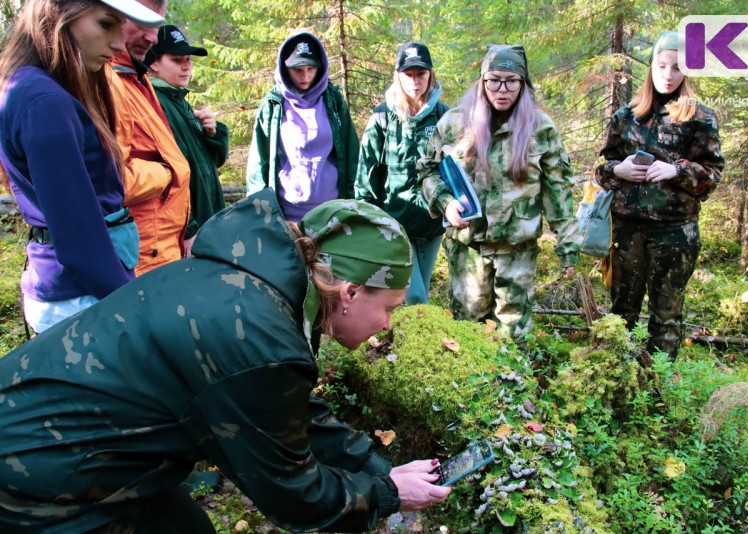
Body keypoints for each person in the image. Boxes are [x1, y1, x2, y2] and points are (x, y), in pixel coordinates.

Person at [0, 188, 452, 532]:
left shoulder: (257, 283)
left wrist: (376, 468)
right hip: (38, 477)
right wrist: (385, 494)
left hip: (59, 441)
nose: (390, 324)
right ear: (350, 292)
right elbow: (293, 492)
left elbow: (287, 412)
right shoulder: (259, 337)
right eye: (390, 307)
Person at [0, 0, 163, 333]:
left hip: (73, 290)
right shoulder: (47, 105)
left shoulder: (30, 87)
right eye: (107, 24)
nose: (119, 43)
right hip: (83, 299)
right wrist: (136, 311)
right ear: (60, 14)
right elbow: (80, 241)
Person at [418, 44, 580, 339]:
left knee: (513, 333)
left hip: (517, 251)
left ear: (523, 83)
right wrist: (445, 202)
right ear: (482, 81)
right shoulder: (455, 123)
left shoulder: (540, 129)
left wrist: (567, 248)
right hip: (468, 249)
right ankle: (474, 386)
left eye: (511, 81)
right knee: (468, 331)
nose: (501, 89)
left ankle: (511, 385)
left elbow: (559, 192)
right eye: (493, 80)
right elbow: (427, 171)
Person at [594, 30, 724, 358]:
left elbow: (712, 175)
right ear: (651, 66)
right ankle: (614, 383)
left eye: (678, 67)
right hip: (627, 229)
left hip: (675, 232)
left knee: (666, 318)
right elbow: (601, 169)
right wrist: (618, 170)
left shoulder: (701, 118)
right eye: (662, 65)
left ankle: (657, 393)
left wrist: (677, 170)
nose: (668, 75)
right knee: (621, 314)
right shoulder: (626, 116)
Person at [355, 41, 448, 305]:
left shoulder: (443, 116)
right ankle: (417, 343)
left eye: (421, 74)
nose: (415, 82)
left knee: (421, 290)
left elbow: (454, 169)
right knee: (413, 295)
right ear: (398, 76)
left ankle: (401, 341)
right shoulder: (383, 118)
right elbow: (366, 174)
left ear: (430, 75)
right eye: (409, 75)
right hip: (395, 223)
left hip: (432, 222)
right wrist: (368, 219)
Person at [108, 0, 191, 274]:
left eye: (156, 26)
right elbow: (109, 181)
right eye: (142, 21)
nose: (152, 37)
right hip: (140, 260)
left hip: (161, 253)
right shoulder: (107, 81)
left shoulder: (135, 78)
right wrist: (166, 173)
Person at [246, 31, 359, 221]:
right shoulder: (273, 105)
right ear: (284, 68)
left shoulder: (333, 101)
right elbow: (259, 163)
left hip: (332, 213)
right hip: (286, 216)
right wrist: (258, 214)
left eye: (311, 68)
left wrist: (353, 205)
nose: (305, 76)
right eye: (298, 70)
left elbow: (351, 154)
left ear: (320, 67)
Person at [145, 24, 229, 254]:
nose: (186, 67)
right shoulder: (156, 103)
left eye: (188, 60)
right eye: (176, 60)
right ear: (153, 63)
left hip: (207, 222)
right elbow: (169, 171)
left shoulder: (179, 102)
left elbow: (212, 163)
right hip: (188, 232)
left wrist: (214, 134)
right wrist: (188, 228)